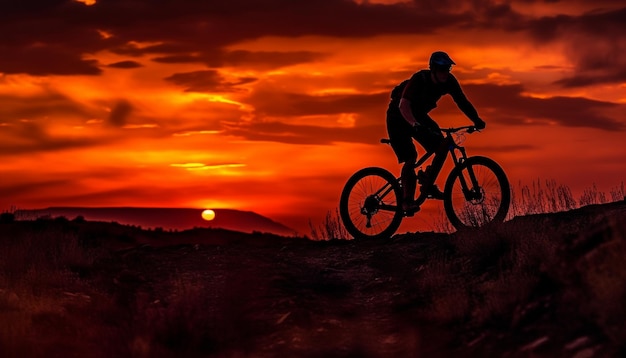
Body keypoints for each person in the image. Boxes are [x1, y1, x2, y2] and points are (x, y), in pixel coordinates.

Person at [386, 51, 486, 213]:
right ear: (433, 69)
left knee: (442, 144)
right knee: (411, 158)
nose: (445, 73)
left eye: (447, 69)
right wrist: (414, 124)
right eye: (442, 69)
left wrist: (477, 120)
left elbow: (462, 102)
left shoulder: (449, 82)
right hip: (397, 117)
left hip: (418, 116)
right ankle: (406, 201)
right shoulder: (420, 79)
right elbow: (403, 105)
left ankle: (427, 181)